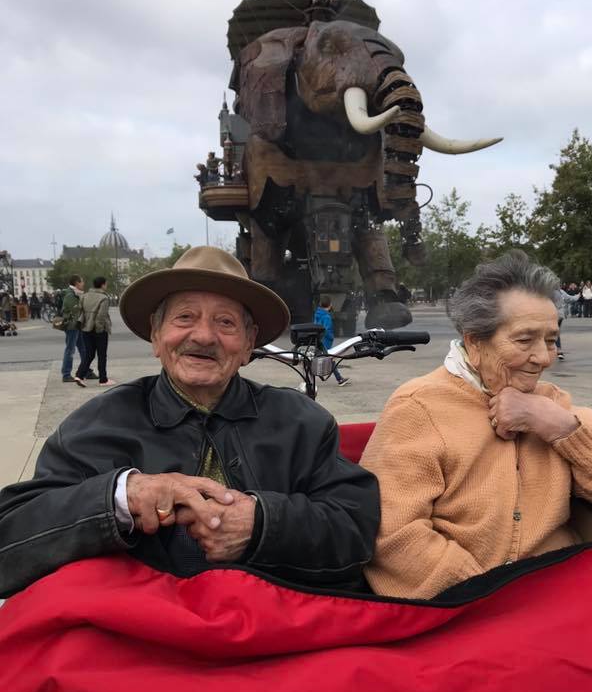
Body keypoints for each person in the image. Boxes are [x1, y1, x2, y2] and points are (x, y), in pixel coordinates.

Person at [0, 246, 379, 598]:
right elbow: (10, 543)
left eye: (226, 323)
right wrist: (120, 496)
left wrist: (262, 525)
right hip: (141, 644)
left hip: (275, 640)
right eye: (185, 317)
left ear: (248, 346)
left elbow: (354, 531)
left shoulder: (302, 423)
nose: (203, 336)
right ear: (156, 335)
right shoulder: (96, 425)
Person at [360, 251, 592, 599]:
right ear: (475, 341)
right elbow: (395, 537)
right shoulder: (418, 408)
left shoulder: (553, 403)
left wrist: (558, 426)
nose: (544, 358)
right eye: (525, 340)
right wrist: (493, 598)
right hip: (471, 606)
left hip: (564, 590)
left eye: (551, 340)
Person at [75, 276, 114, 387]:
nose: (106, 286)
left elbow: (80, 311)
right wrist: (100, 329)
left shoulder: (84, 296)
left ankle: (79, 375)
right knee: (102, 355)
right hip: (98, 330)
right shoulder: (104, 298)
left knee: (89, 354)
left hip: (86, 328)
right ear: (102, 284)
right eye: (106, 284)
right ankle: (103, 379)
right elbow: (101, 316)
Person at [313, 295, 350, 386]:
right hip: (325, 341)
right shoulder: (327, 317)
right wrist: (331, 337)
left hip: (317, 339)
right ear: (330, 305)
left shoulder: (317, 314)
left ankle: (339, 378)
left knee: (324, 359)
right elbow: (325, 329)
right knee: (330, 359)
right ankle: (339, 379)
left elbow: (315, 326)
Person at [60, 274, 86, 384]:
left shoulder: (76, 294)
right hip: (72, 325)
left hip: (77, 325)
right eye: (82, 281)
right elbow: (75, 311)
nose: (83, 283)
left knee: (84, 349)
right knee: (70, 349)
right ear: (76, 283)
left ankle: (86, 370)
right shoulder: (70, 295)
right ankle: (66, 374)